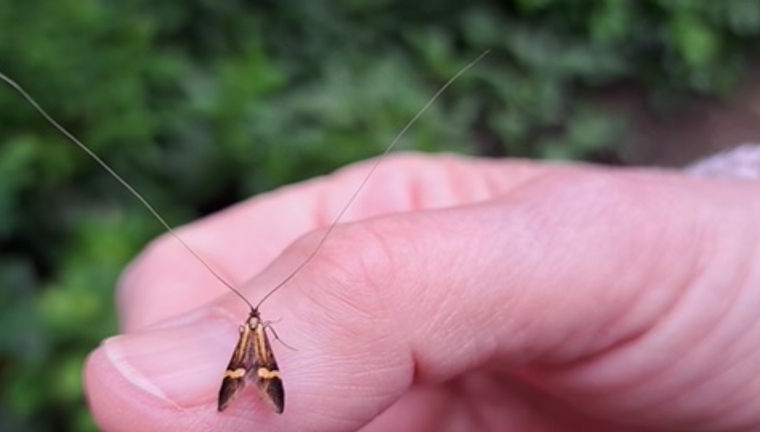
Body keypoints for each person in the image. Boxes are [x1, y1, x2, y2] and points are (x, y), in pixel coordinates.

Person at [83, 151, 760, 431]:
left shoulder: (249, 337)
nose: (254, 331)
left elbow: (259, 343)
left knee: (248, 368)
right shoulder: (255, 337)